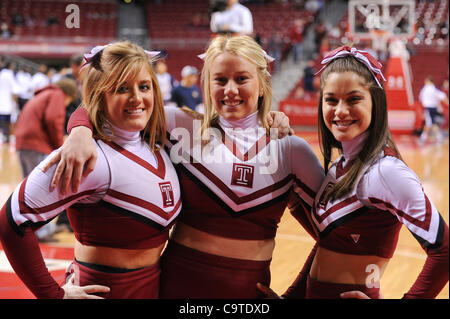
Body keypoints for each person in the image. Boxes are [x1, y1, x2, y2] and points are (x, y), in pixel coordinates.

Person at [44, 35, 324, 299]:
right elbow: (109, 106)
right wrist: (79, 130)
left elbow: (336, 236)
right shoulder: (179, 126)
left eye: (242, 79)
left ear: (262, 83)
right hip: (175, 289)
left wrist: (294, 295)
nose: (230, 90)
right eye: (220, 79)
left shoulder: (291, 150)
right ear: (206, 84)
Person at [260, 46, 449, 299]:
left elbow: (445, 251)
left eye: (353, 99)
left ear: (376, 103)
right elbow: (327, 244)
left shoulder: (386, 172)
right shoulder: (339, 167)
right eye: (331, 100)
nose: (340, 110)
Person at [0, 41, 183, 299]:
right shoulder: (87, 157)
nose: (137, 98)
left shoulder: (159, 142)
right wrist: (54, 295)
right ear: (100, 95)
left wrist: (79, 126)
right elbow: (13, 221)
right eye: (121, 88)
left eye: (144, 86)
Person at [418, 76, 449, 144]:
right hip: (434, 108)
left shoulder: (426, 89)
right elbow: (442, 96)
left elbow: (421, 99)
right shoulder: (433, 88)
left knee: (431, 123)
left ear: (428, 81)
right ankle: (426, 137)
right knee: (430, 123)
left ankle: (436, 137)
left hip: (429, 108)